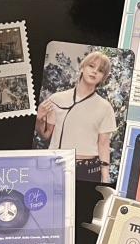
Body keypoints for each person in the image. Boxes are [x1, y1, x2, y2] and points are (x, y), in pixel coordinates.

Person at [35, 51, 118, 183]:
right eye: (91, 66)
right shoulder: (57, 99)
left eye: (100, 70)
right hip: (57, 165)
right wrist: (39, 119)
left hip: (88, 170)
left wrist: (105, 177)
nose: (95, 71)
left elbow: (103, 144)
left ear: (103, 77)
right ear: (82, 67)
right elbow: (46, 135)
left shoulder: (105, 107)